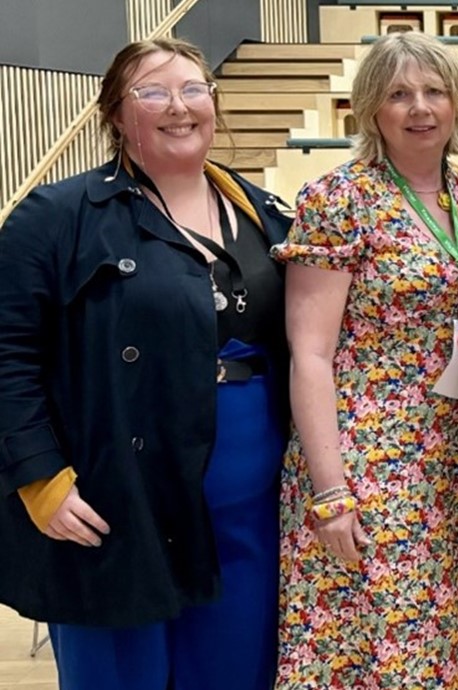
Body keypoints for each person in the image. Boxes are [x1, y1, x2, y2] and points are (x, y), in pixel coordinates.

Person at [0, 38, 289, 690]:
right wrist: (39, 477)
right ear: (115, 115)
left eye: (193, 89)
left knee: (237, 676)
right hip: (116, 506)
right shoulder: (57, 216)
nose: (179, 106)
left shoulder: (268, 215)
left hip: (250, 515)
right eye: (153, 92)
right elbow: (8, 357)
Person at [272, 31, 458, 688]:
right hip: (370, 460)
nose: (420, 108)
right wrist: (330, 495)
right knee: (382, 647)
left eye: (435, 91)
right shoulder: (340, 199)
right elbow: (312, 354)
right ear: (371, 109)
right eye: (399, 93)